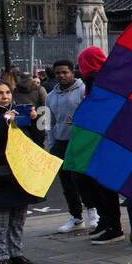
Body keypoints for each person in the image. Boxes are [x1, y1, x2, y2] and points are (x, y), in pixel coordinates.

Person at [74, 47, 125, 245]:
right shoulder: (103, 79)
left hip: (102, 140)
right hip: (103, 138)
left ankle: (113, 226)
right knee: (98, 183)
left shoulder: (97, 81)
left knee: (102, 183)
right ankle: (107, 222)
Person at [0, 79, 41, 264]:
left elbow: (37, 140)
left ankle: (16, 253)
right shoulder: (2, 117)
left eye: (7, 92)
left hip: (20, 172)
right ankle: (0, 257)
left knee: (19, 216)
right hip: (0, 173)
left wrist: (33, 121)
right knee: (1, 219)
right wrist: (4, 121)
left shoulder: (17, 112)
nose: (5, 96)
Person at [46, 58, 93, 233]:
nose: (61, 76)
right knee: (66, 182)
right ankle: (76, 217)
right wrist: (51, 144)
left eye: (65, 72)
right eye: (58, 73)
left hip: (80, 142)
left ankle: (92, 212)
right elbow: (48, 122)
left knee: (82, 180)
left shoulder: (83, 91)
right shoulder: (50, 96)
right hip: (60, 143)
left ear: (73, 72)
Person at [12, 70, 47, 149]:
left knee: (32, 145)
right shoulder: (39, 89)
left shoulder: (15, 90)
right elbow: (45, 105)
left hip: (29, 120)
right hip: (29, 120)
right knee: (32, 145)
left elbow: (46, 105)